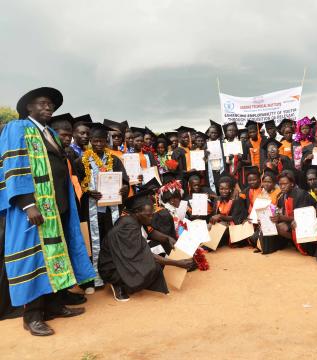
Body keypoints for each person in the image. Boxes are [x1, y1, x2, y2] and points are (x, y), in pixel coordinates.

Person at [0, 87, 95, 336]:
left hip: (58, 205)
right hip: (34, 207)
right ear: (28, 107)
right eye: (42, 103)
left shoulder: (50, 132)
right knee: (36, 259)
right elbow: (14, 166)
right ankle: (31, 316)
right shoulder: (17, 128)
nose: (48, 107)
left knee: (57, 255)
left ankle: (54, 305)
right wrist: (27, 204)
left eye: (51, 104)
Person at [98, 189, 194, 302]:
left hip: (124, 258)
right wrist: (177, 263)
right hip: (112, 266)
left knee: (160, 249)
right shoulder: (127, 226)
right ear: (137, 212)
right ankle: (118, 284)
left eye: (153, 214)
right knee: (152, 266)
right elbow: (145, 254)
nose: (152, 218)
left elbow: (151, 232)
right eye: (149, 215)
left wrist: (167, 238)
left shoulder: (137, 218)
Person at [75, 123, 130, 289]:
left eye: (102, 141)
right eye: (95, 141)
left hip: (111, 208)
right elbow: (78, 184)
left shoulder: (115, 160)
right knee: (93, 243)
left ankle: (113, 274)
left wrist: (124, 187)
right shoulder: (80, 161)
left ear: (107, 141)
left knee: (111, 239)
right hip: (91, 209)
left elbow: (125, 181)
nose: (98, 144)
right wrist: (87, 192)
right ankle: (95, 278)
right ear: (90, 141)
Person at [272, 170, 317, 256]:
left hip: (306, 223)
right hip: (290, 221)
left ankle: (300, 243)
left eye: (285, 184)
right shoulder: (281, 196)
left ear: (292, 184)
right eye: (280, 184)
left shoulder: (301, 194)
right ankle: (292, 241)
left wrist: (281, 217)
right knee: (276, 226)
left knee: (287, 225)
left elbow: (302, 217)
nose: (282, 187)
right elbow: (279, 211)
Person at [210, 176, 247, 247]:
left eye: (226, 189)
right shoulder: (217, 199)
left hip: (233, 225)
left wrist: (220, 216)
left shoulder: (236, 200)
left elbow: (234, 218)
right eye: (221, 189)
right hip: (221, 223)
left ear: (230, 189)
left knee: (221, 225)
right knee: (208, 226)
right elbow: (214, 215)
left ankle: (209, 246)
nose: (223, 191)